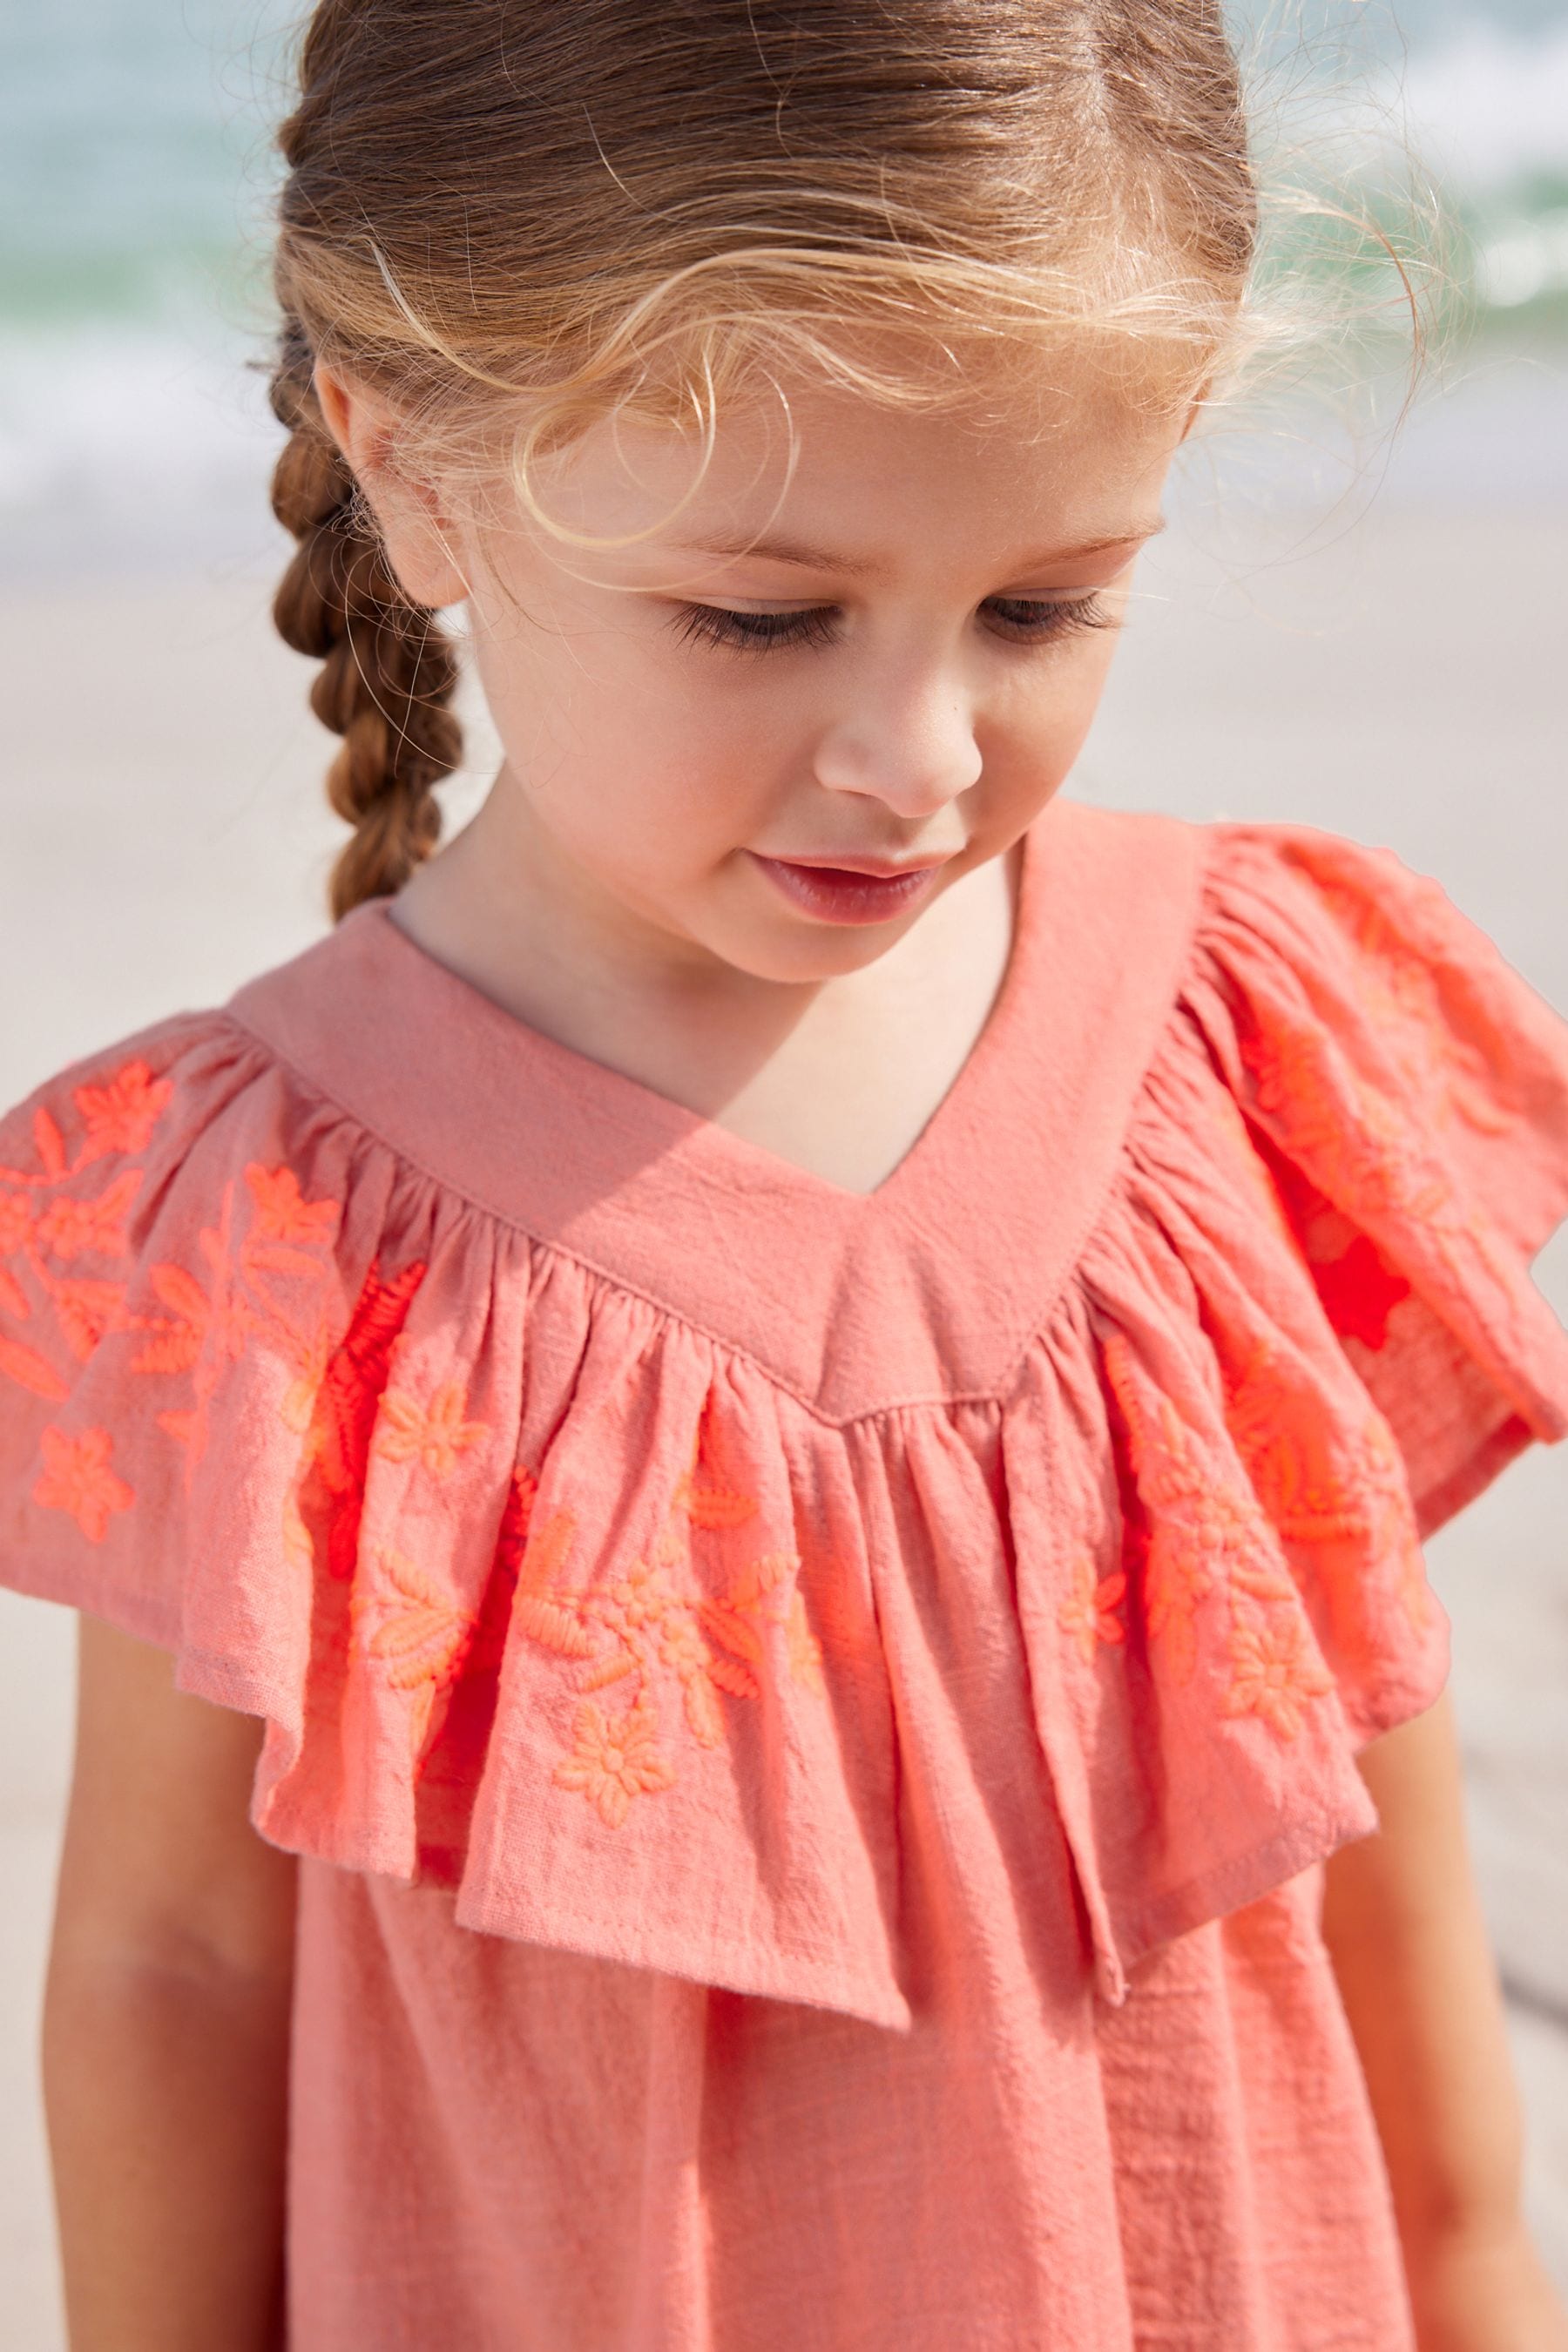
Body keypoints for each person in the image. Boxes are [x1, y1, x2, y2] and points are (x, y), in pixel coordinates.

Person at [4, 2, 1568, 2345]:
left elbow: (1368, 1852)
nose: (919, 752)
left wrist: (1478, 2287)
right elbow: (167, 1962)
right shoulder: (266, 1223)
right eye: (763, 616)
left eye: (1041, 606)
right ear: (412, 463)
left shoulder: (1233, 1048)